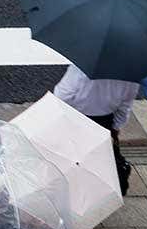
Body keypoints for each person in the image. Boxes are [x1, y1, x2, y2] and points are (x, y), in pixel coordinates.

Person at [52, 64, 138, 195]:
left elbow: (62, 95)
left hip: (75, 118)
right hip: (104, 121)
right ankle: (92, 193)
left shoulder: (84, 66)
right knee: (97, 159)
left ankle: (69, 189)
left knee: (68, 156)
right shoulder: (131, 74)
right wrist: (115, 128)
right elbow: (125, 107)